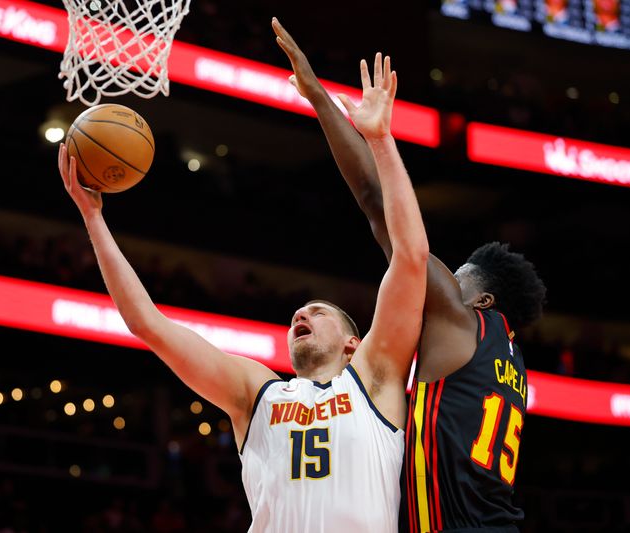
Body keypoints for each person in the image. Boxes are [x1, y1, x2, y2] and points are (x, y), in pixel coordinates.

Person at [58, 52, 429, 533]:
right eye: (301, 310)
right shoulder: (257, 392)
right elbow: (147, 324)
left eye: (318, 311)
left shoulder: (374, 379)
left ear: (352, 342)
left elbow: (411, 257)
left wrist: (379, 140)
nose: (302, 313)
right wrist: (94, 219)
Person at [273, 18, 547, 533]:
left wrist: (317, 96)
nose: (442, 284)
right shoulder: (511, 363)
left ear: (482, 300)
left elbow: (379, 207)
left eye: (458, 278)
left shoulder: (463, 323)